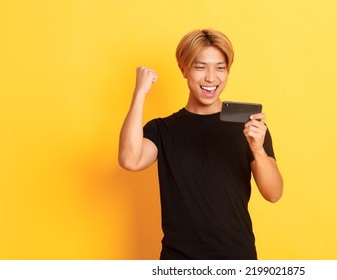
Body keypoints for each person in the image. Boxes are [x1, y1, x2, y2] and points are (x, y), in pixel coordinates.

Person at [118, 29, 283, 260]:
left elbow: (274, 193)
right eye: (200, 67)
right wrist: (139, 94)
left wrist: (257, 148)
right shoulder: (162, 130)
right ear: (183, 68)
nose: (210, 78)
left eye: (220, 67)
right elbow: (130, 160)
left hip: (236, 257)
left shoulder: (248, 126)